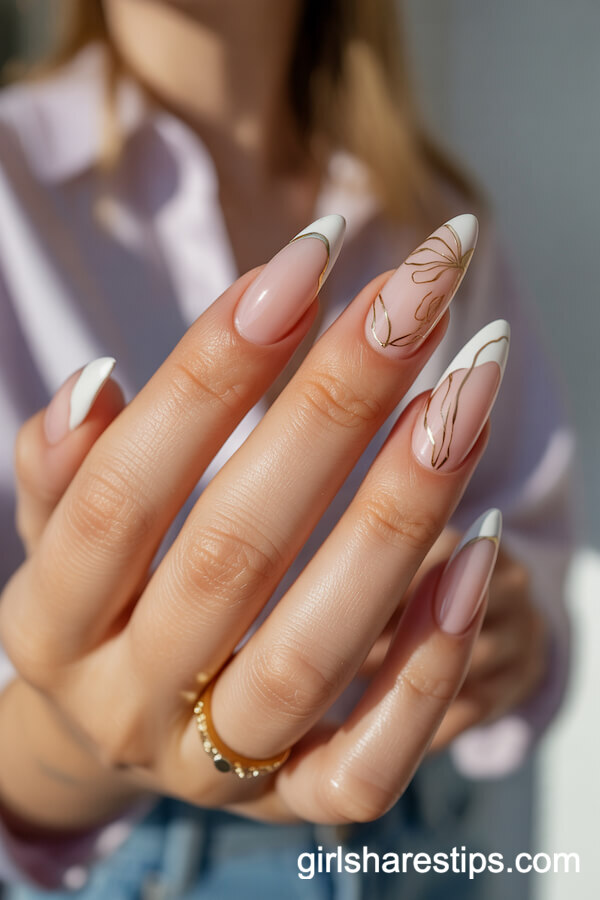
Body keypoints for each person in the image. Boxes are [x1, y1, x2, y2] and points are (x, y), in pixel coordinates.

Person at [0, 2, 573, 897]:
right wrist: (71, 741)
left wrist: (506, 629)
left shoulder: (435, 212)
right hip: (125, 864)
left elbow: (535, 545)